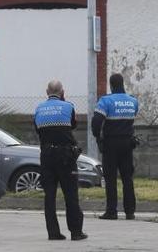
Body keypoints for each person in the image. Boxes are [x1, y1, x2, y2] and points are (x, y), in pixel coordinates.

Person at [33, 80, 87, 241]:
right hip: (66, 156)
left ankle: (53, 232)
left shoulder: (38, 109)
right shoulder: (69, 106)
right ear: (62, 92)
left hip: (47, 156)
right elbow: (73, 125)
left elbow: (38, 130)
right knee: (71, 194)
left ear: (46, 92)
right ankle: (76, 232)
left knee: (49, 195)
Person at [91, 73, 139, 220]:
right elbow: (132, 118)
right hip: (127, 144)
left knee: (110, 178)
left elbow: (96, 122)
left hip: (111, 144)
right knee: (127, 178)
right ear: (123, 83)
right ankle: (130, 212)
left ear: (111, 85)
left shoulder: (106, 101)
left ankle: (111, 211)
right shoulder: (133, 101)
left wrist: (98, 137)